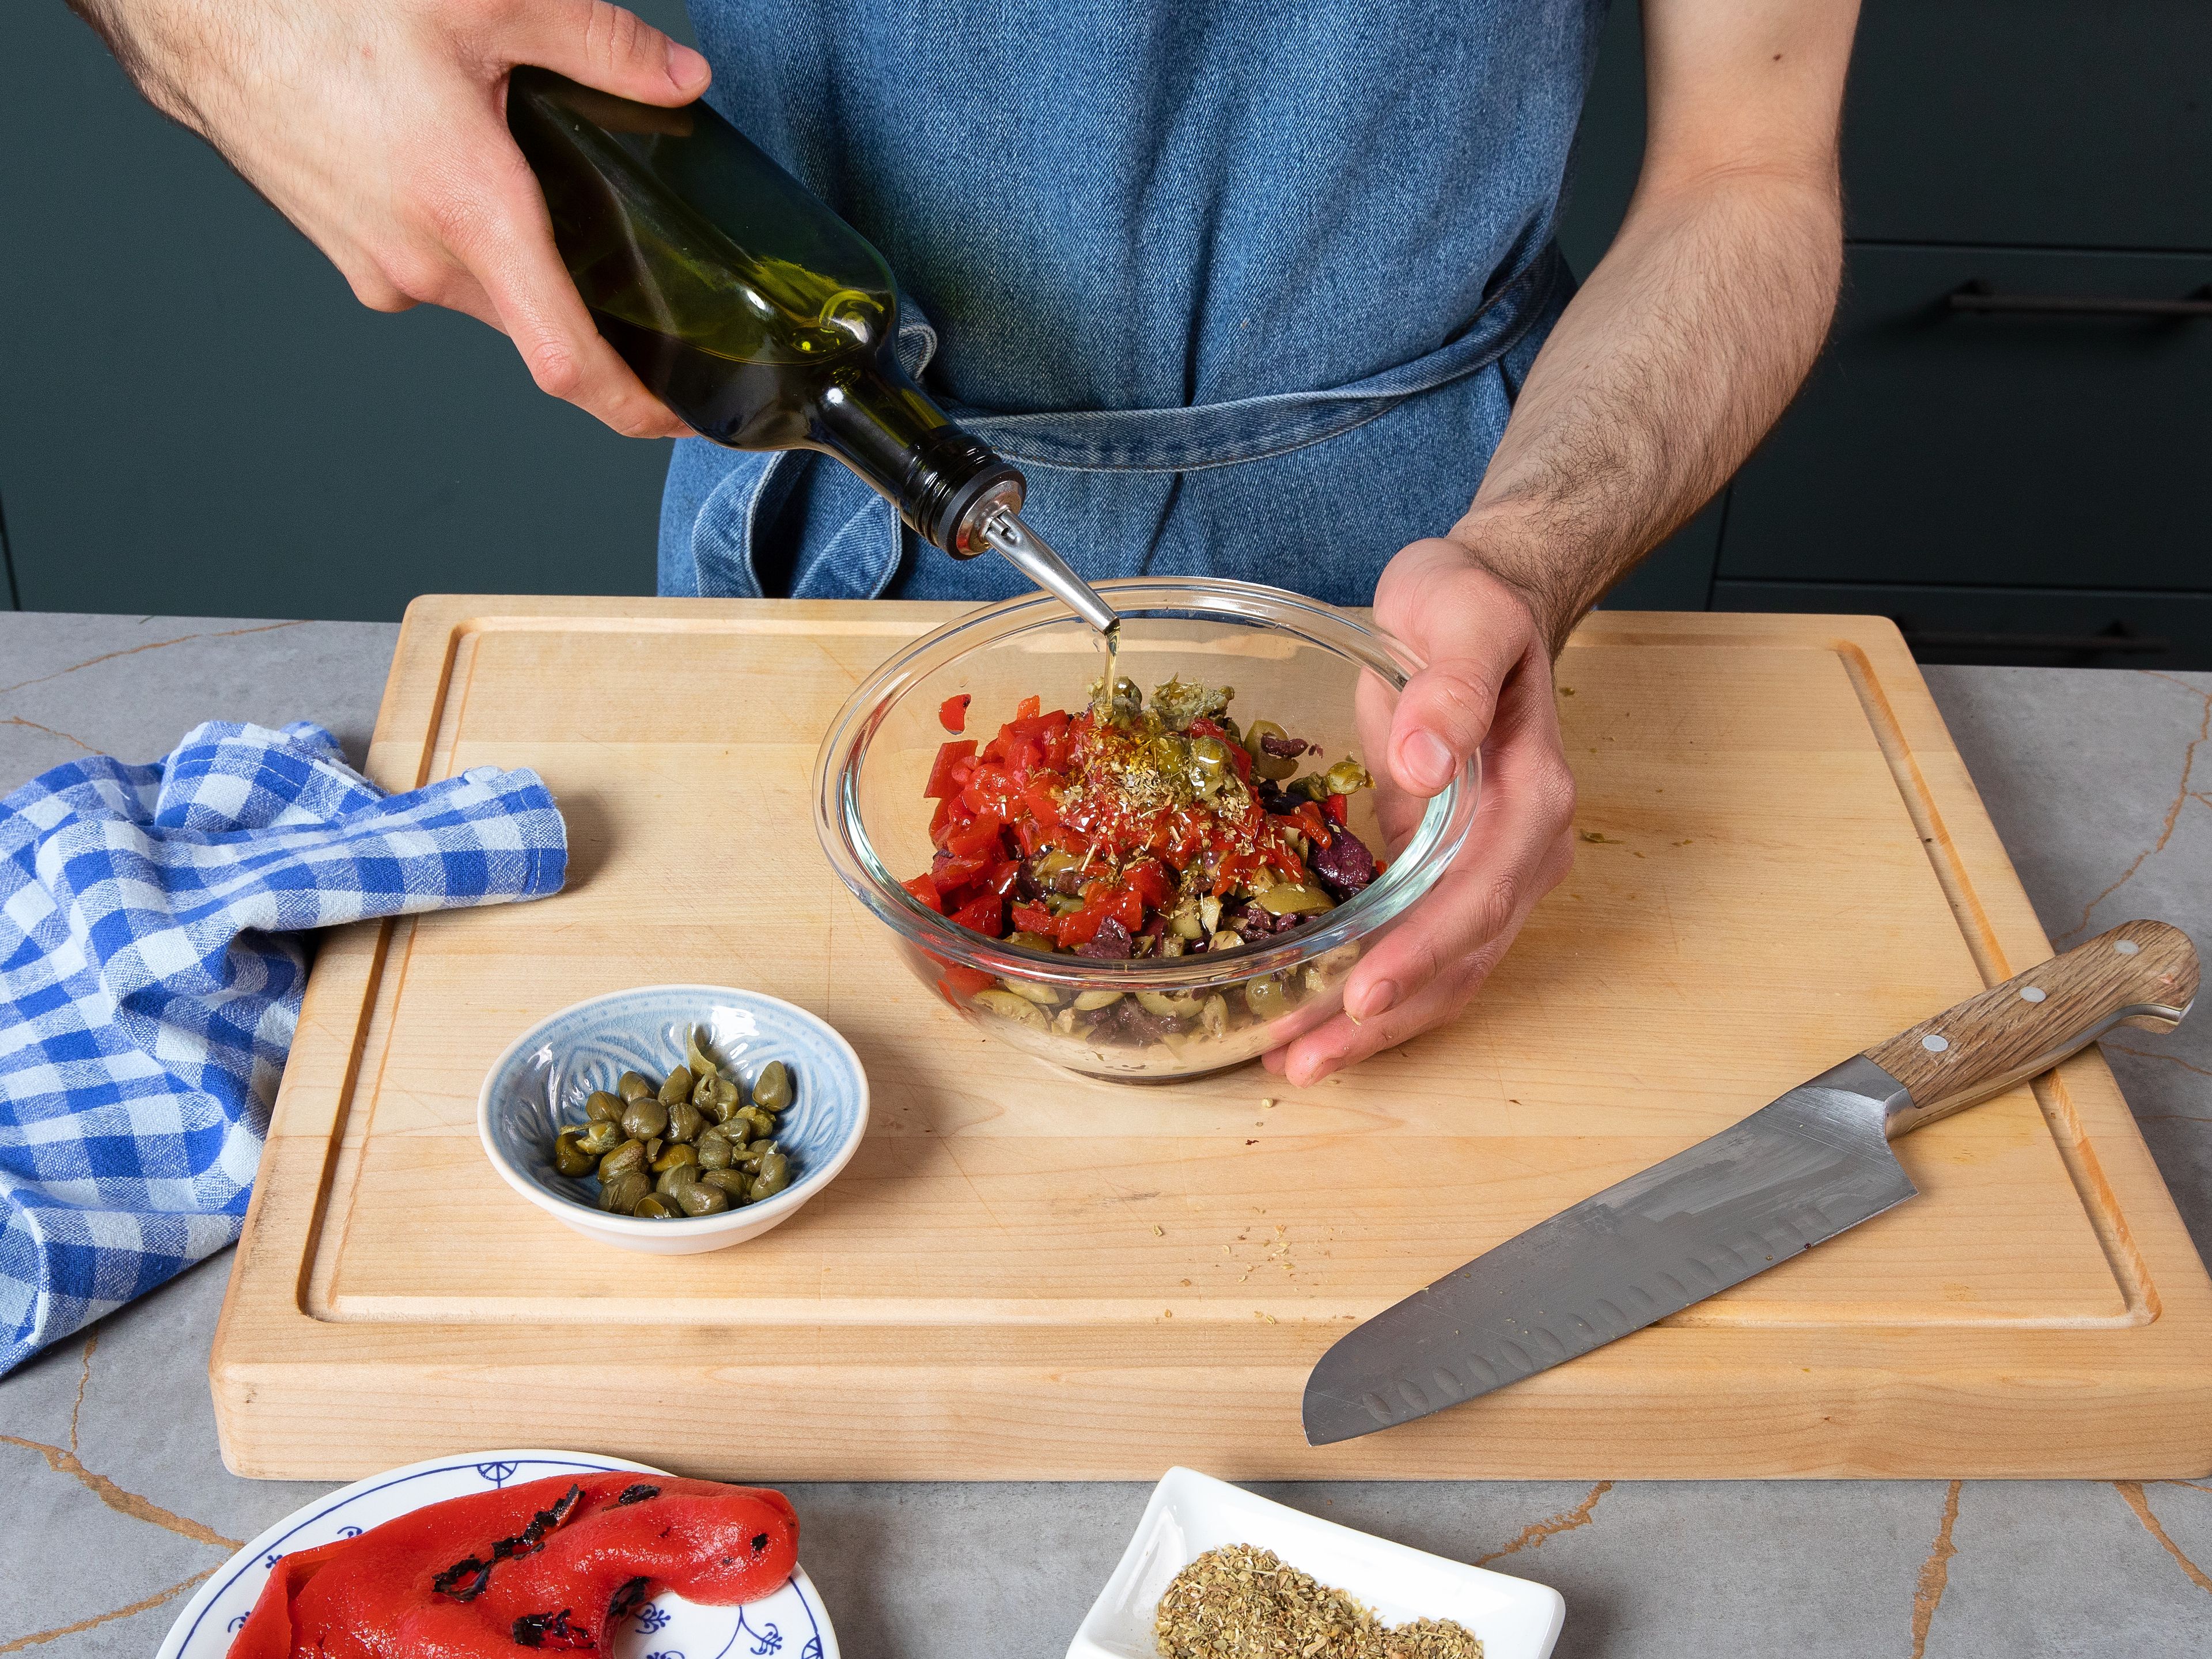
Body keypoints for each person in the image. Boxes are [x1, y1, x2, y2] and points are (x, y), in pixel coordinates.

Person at [70, 0, 1858, 1086]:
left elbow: (1750, 175)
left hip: (1428, 583)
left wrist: (1529, 560)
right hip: (802, 553)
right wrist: (228, 35)